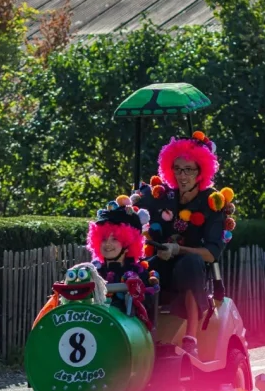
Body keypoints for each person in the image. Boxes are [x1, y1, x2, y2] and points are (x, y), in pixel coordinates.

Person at [142, 132, 236, 356]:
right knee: (140, 273)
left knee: (189, 264)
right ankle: (140, 337)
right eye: (177, 169)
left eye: (189, 170)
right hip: (164, 265)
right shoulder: (164, 196)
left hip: (195, 270)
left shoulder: (213, 202)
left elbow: (212, 254)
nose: (182, 176)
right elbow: (145, 223)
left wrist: (178, 250)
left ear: (201, 171)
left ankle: (190, 338)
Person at [86, 201, 159, 329]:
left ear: (128, 244)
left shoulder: (140, 273)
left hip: (127, 337)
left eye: (115, 239)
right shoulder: (92, 272)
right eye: (103, 238)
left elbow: (146, 310)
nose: (107, 244)